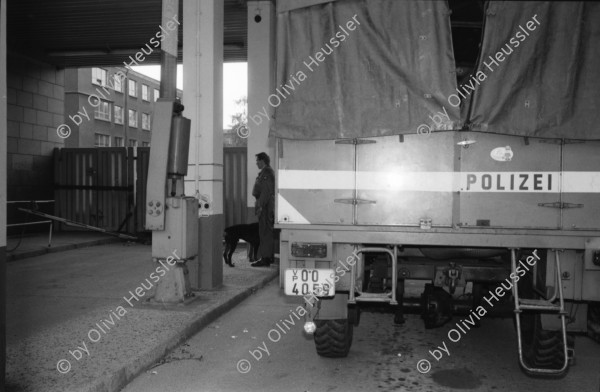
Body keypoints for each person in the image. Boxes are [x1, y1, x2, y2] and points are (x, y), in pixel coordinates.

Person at [251, 152, 275, 267]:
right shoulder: (265, 172)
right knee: (265, 231)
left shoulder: (267, 173)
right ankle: (268, 257)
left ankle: (265, 258)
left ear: (262, 161)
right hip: (265, 205)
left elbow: (265, 192)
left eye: (257, 161)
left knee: (265, 232)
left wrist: (260, 206)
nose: (256, 163)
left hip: (265, 207)